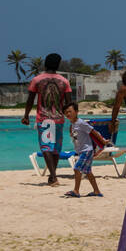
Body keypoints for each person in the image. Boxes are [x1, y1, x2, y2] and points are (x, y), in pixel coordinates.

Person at [21, 53, 73, 186]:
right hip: (59, 119)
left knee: (46, 147)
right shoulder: (64, 81)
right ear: (58, 65)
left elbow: (30, 100)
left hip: (43, 119)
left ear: (45, 64)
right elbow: (69, 103)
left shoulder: (37, 80)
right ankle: (52, 177)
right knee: (55, 148)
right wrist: (73, 120)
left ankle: (53, 177)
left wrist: (26, 115)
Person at [63, 102, 105, 198]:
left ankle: (76, 191)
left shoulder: (81, 123)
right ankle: (96, 191)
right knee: (88, 171)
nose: (68, 114)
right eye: (66, 112)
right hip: (82, 151)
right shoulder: (72, 124)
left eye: (70, 111)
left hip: (87, 150)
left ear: (76, 112)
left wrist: (102, 141)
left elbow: (93, 131)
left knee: (77, 168)